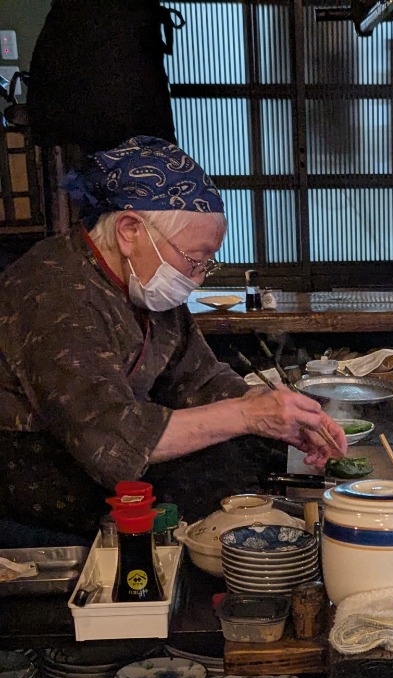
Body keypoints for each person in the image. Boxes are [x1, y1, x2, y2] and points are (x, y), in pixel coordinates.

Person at [0, 136, 346, 541]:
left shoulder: (141, 281)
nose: (197, 278)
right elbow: (110, 441)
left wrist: (275, 412)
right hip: (42, 481)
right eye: (195, 260)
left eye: (206, 265)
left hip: (110, 466)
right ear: (130, 230)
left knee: (251, 454)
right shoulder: (53, 290)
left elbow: (198, 378)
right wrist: (248, 415)